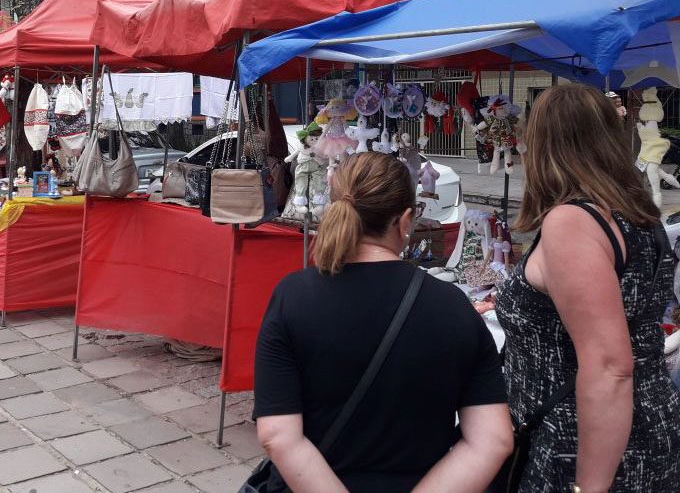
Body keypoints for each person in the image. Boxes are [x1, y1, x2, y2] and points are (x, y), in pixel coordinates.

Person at [254, 151, 513, 493]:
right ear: (405, 221)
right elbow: (492, 442)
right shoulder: (453, 307)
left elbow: (277, 436)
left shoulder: (292, 297)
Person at [497, 83, 680, 492]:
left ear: (544, 145)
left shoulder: (573, 221)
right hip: (641, 422)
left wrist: (588, 487)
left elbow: (609, 368)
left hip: (581, 443)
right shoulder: (638, 213)